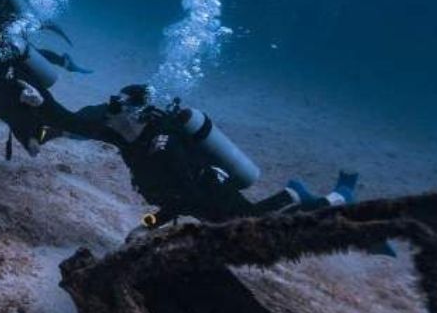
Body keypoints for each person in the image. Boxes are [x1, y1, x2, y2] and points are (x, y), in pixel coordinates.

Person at [102, 84, 359, 228]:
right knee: (253, 219)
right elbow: (179, 198)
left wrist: (149, 224)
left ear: (134, 112)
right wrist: (151, 222)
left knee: (258, 225)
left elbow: (186, 198)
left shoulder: (163, 145)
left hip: (214, 194)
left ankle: (337, 196)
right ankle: (292, 194)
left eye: (116, 107)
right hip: (206, 200)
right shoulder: (144, 144)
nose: (110, 114)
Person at [0, 33, 122, 157]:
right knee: (41, 134)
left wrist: (36, 103)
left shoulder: (10, 70)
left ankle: (110, 116)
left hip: (34, 103)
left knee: (70, 123)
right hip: (8, 110)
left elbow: (27, 111)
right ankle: (54, 133)